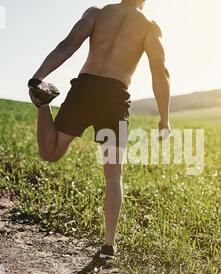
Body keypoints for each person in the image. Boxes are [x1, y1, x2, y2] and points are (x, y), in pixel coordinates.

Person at [28, 0, 171, 260]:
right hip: (114, 97)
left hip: (85, 89)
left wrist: (37, 78)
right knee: (113, 174)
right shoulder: (149, 28)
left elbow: (67, 46)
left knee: (50, 152)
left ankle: (43, 105)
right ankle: (108, 245)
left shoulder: (97, 14)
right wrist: (164, 118)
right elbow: (159, 72)